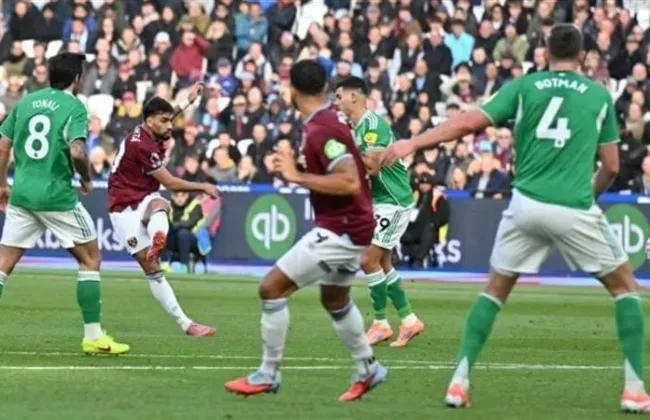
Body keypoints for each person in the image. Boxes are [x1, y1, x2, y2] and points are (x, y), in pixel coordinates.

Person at [384, 23, 649, 413]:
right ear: (582, 56)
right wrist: (587, 197)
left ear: (545, 52)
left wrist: (413, 142)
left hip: (525, 204)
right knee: (625, 288)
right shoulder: (598, 94)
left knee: (494, 291)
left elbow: (466, 123)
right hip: (574, 206)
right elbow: (611, 166)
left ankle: (459, 382)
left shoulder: (525, 87)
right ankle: (634, 390)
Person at [224, 59, 387, 401]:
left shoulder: (321, 128)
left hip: (342, 230)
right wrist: (298, 166)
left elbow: (349, 180)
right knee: (335, 299)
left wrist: (296, 176)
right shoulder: (324, 122)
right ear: (326, 87)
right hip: (354, 226)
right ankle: (368, 368)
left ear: (291, 91)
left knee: (271, 289)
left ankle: (268, 373)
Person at [0, 52, 129, 355]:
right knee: (91, 259)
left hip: (22, 193)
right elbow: (78, 152)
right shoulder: (75, 107)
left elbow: (3, 145)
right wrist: (85, 177)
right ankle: (93, 337)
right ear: (77, 78)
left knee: (3, 264)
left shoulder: (26, 102)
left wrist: (2, 183)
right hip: (55, 195)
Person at [108, 83, 218, 337]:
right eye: (165, 121)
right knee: (153, 270)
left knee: (160, 204)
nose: (170, 126)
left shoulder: (149, 128)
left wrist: (188, 101)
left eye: (170, 120)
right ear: (149, 121)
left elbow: (164, 117)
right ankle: (185, 322)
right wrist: (202, 185)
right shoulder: (142, 147)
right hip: (122, 207)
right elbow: (170, 182)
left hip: (144, 196)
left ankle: (158, 238)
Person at [334, 76, 424, 348]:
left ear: (353, 96)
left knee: (367, 258)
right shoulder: (356, 128)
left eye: (339, 96)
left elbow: (372, 168)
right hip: (380, 201)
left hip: (394, 200)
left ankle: (381, 324)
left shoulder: (373, 126)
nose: (336, 102)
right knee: (382, 262)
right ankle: (409, 320)